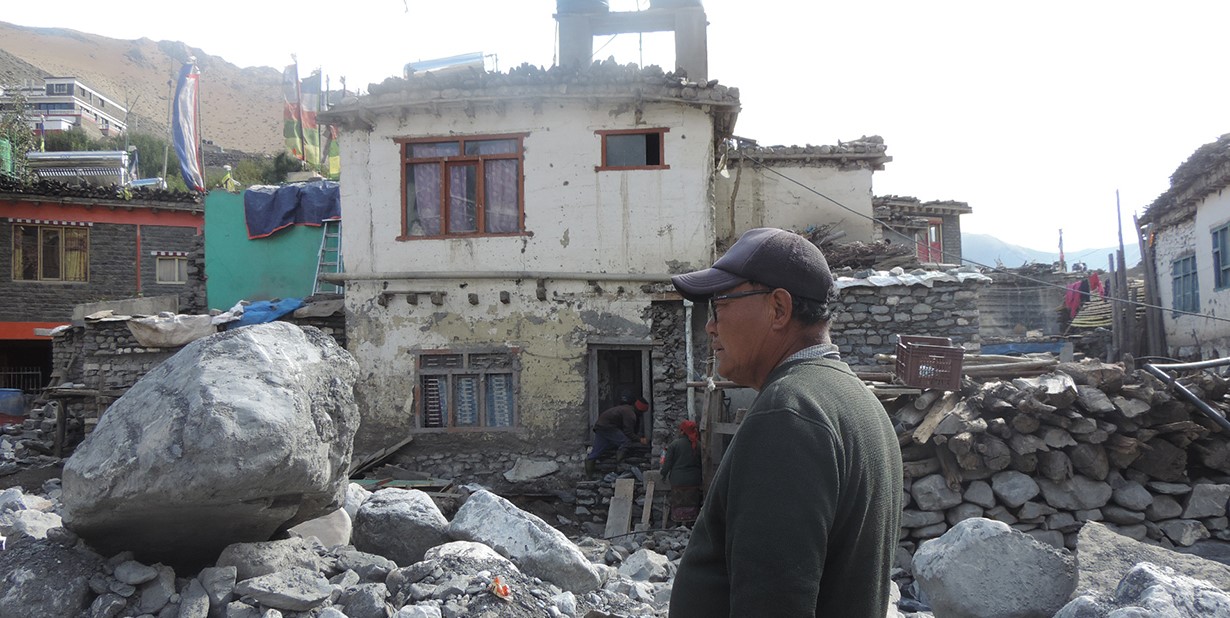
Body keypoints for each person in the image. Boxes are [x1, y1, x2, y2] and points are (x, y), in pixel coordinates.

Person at [668, 227, 903, 617]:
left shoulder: (788, 412)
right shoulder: (858, 400)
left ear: (778, 308)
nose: (711, 326)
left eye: (719, 305)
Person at [585, 393, 649, 479]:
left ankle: (589, 478)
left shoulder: (626, 409)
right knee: (625, 442)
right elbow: (628, 433)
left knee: (595, 453)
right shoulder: (630, 414)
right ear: (640, 411)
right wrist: (640, 439)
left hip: (600, 427)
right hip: (608, 427)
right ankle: (620, 465)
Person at [659, 419, 702, 524]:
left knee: (679, 503)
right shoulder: (698, 445)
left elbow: (667, 463)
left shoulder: (675, 445)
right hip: (694, 480)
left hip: (678, 480)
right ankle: (691, 522)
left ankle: (678, 523)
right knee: (692, 502)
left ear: (682, 431)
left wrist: (663, 475)